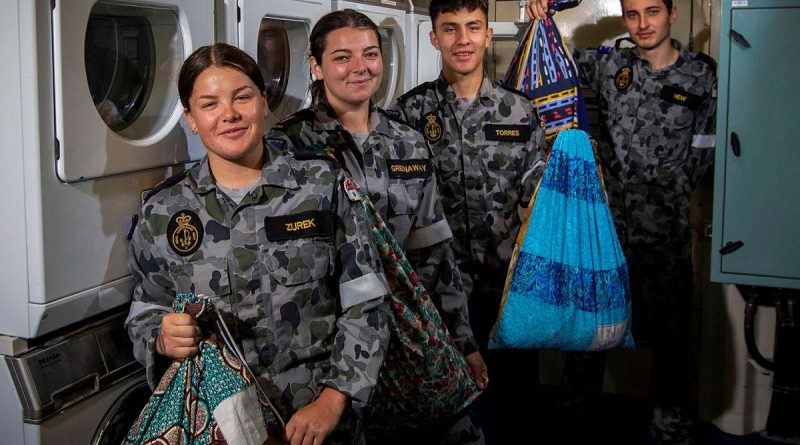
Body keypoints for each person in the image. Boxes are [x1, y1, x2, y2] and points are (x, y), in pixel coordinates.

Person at [124, 42, 393, 445]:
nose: (229, 115)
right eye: (210, 104)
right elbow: (145, 309)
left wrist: (335, 399)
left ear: (264, 103)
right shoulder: (162, 213)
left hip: (319, 422)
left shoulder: (320, 186)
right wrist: (160, 337)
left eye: (242, 97)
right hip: (224, 426)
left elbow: (367, 298)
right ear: (191, 119)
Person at [267, 9, 487, 445]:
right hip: (332, 347)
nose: (359, 68)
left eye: (370, 54)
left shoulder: (406, 142)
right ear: (316, 65)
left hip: (407, 332)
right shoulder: (286, 147)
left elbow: (435, 252)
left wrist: (463, 340)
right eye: (342, 57)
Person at [527, 0, 717, 443]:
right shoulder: (609, 65)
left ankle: (670, 428)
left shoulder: (700, 76)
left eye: (652, 12)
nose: (642, 24)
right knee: (589, 334)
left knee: (670, 339)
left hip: (664, 235)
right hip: (605, 233)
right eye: (632, 14)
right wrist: (546, 13)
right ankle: (574, 425)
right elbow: (553, 67)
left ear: (672, 14)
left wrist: (665, 194)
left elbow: (703, 152)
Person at [390, 0, 547, 442]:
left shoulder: (519, 112)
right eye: (451, 29)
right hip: (439, 289)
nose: (463, 39)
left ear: (487, 35)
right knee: (447, 409)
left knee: (518, 403)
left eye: (473, 27)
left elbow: (538, 200)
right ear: (434, 38)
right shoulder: (411, 114)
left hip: (506, 288)